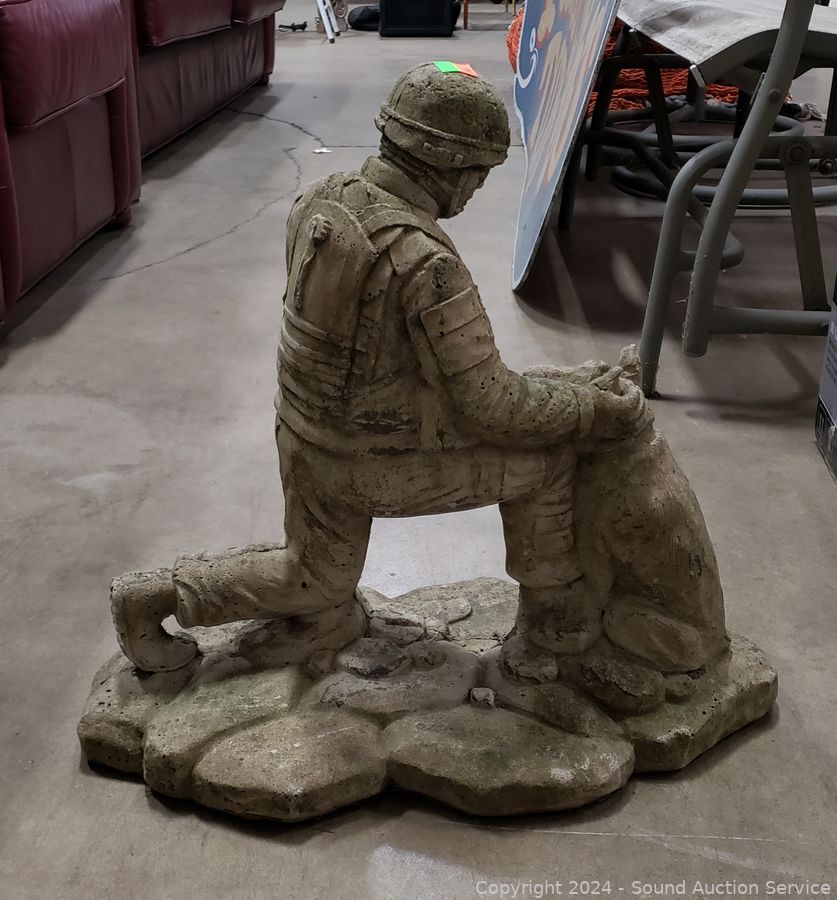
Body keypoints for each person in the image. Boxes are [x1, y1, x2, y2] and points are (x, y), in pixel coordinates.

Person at [112, 63, 728, 682]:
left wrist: (562, 387)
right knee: (548, 463)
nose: (477, 189)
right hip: (369, 463)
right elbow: (493, 409)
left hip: (305, 435)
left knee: (312, 577)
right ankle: (556, 624)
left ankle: (152, 596)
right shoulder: (426, 263)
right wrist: (590, 409)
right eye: (479, 173)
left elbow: (389, 359)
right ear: (449, 165)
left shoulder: (320, 198)